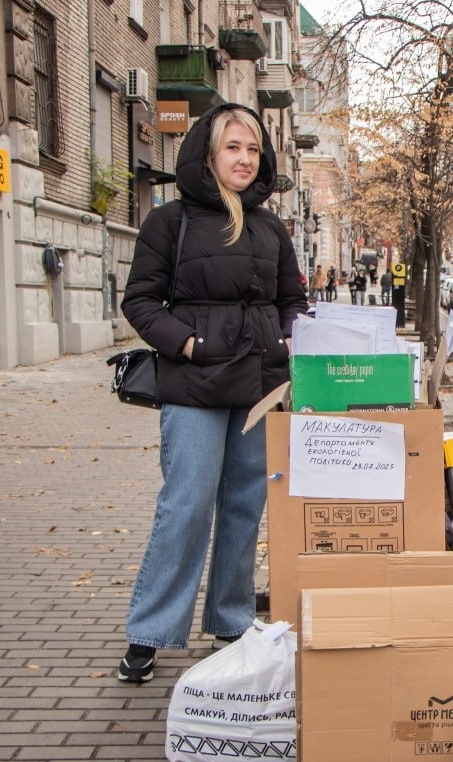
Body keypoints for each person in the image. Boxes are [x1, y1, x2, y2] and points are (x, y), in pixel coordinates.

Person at [118, 103, 307, 683]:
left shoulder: (272, 227)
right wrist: (191, 346)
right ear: (208, 153)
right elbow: (141, 303)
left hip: (258, 387)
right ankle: (150, 632)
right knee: (187, 504)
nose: (245, 159)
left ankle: (231, 622)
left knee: (246, 506)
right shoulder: (169, 223)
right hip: (195, 386)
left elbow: (290, 301)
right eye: (233, 148)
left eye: (253, 150)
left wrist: (290, 335)